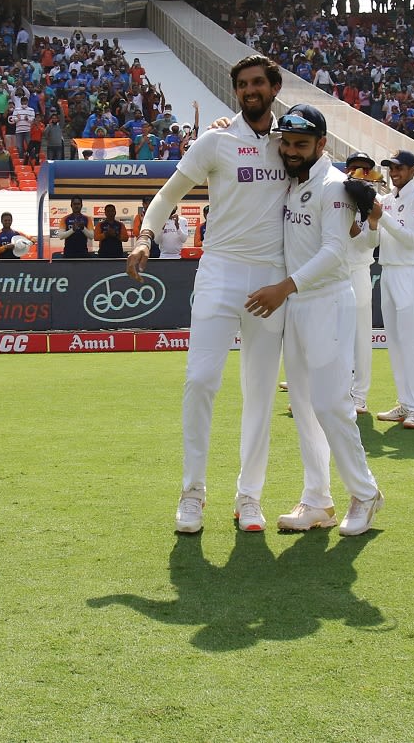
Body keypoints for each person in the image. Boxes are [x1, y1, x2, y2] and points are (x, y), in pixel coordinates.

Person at [127, 55, 288, 534]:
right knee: (200, 380)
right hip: (219, 271)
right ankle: (192, 493)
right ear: (236, 91)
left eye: (258, 82)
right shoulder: (216, 139)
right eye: (242, 85)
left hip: (271, 278)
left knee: (260, 392)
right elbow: (169, 193)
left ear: (274, 87)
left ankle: (250, 496)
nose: (250, 90)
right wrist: (145, 236)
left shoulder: (294, 140)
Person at [244, 106, 383, 537]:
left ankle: (365, 493)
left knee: (330, 404)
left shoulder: (334, 186)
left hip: (327, 302)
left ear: (322, 145)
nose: (289, 151)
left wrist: (284, 287)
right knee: (303, 407)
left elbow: (334, 253)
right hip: (300, 307)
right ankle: (318, 500)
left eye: (301, 144)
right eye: (285, 143)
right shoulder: (292, 182)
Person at [371, 149, 414, 428]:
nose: (394, 173)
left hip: (410, 272)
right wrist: (373, 218)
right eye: (391, 168)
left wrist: (381, 216)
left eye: (399, 168)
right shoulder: (384, 199)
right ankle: (405, 403)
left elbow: (409, 239)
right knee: (394, 342)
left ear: (412, 170)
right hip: (388, 270)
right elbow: (376, 239)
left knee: (409, 342)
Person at [341, 152, 381, 415]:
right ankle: (335, 391)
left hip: (359, 271)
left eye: (365, 170)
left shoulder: (373, 201)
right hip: (334, 270)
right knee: (333, 334)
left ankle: (359, 395)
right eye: (355, 168)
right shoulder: (336, 193)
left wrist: (371, 222)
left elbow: (371, 242)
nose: (359, 173)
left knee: (361, 336)